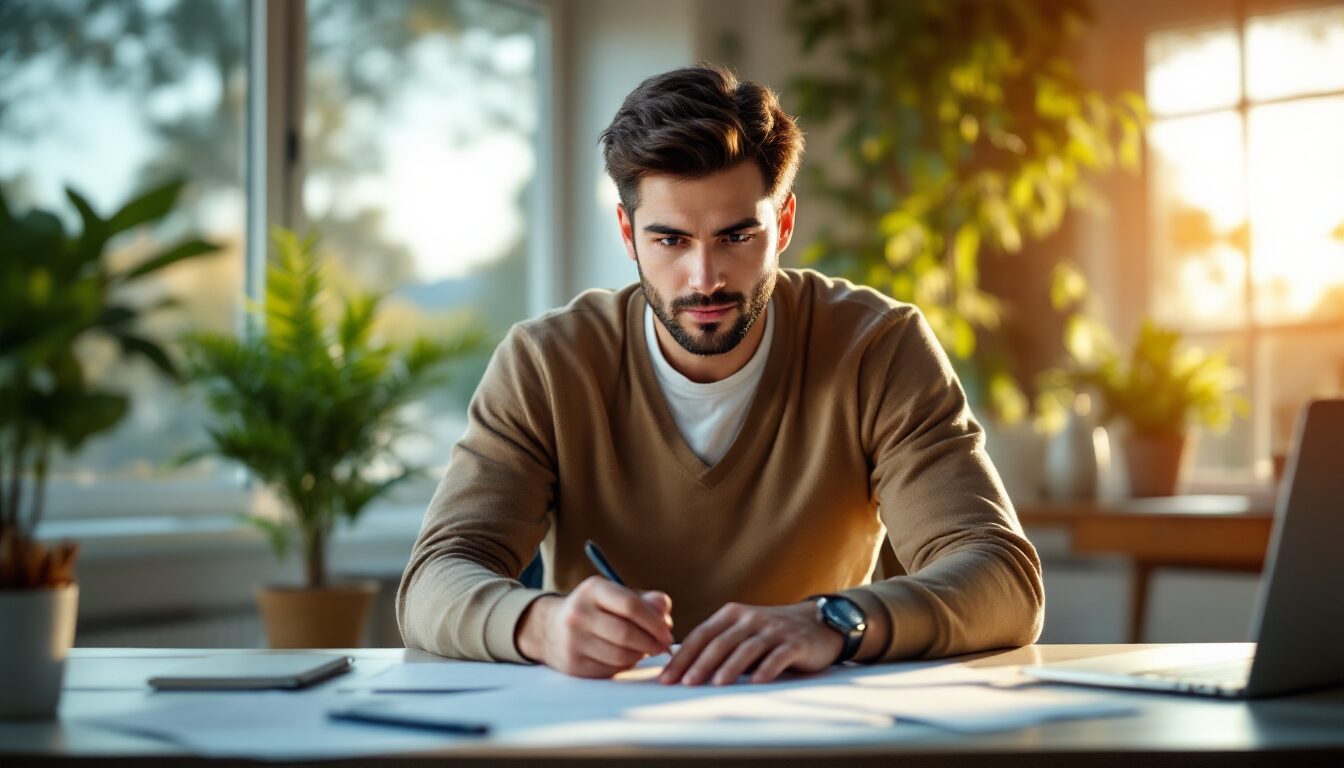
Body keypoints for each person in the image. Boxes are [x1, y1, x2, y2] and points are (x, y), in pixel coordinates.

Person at [398, 64, 1043, 686]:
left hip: (814, 732)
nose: (704, 278)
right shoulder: (546, 364)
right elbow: (433, 580)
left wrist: (835, 620)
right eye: (671, 241)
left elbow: (1004, 581)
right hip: (603, 725)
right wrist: (540, 624)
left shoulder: (877, 348)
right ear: (628, 233)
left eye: (736, 237)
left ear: (783, 224)